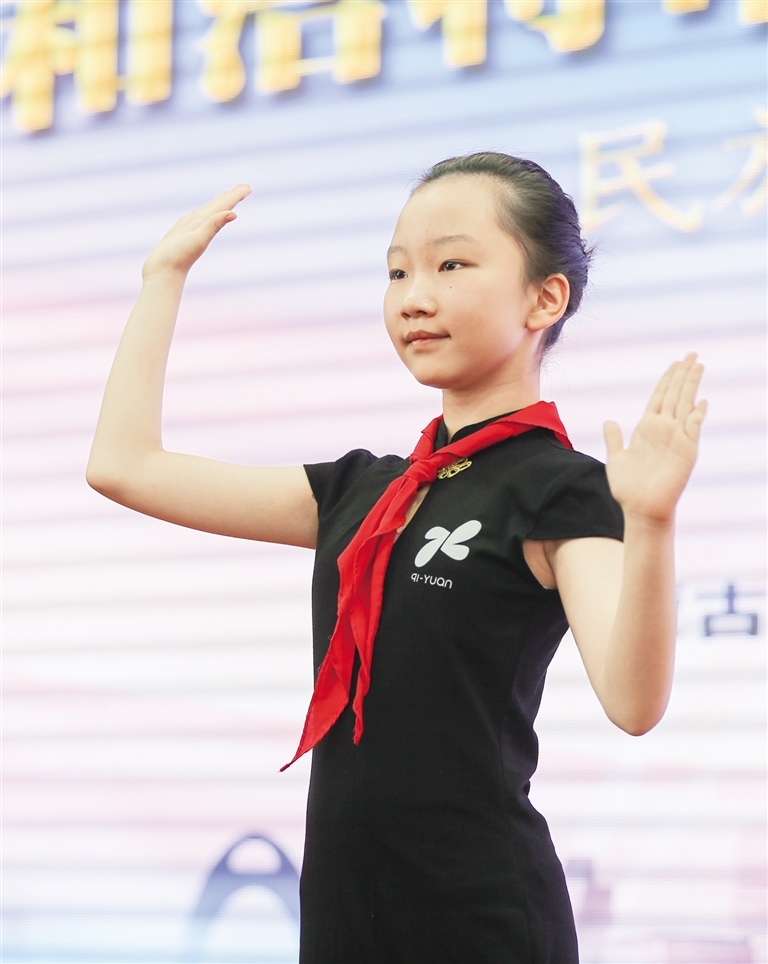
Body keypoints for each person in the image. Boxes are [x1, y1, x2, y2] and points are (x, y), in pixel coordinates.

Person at [87, 152, 706, 963]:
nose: (414, 297)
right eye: (397, 271)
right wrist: (162, 278)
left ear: (545, 298)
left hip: (481, 919)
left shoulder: (562, 490)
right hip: (344, 913)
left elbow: (633, 702)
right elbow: (124, 467)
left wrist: (651, 522)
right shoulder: (360, 491)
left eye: (452, 265)